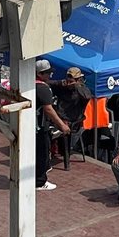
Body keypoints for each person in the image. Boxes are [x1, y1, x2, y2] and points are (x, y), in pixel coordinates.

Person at [32, 59, 58, 192]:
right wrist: (61, 125)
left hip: (29, 126)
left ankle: (32, 177)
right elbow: (48, 109)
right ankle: (40, 182)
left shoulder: (29, 84)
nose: (50, 75)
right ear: (40, 74)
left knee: (33, 154)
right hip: (40, 127)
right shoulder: (43, 89)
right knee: (42, 154)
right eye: (47, 73)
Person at [52, 66, 89, 159]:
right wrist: (60, 83)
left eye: (72, 79)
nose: (69, 82)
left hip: (73, 120)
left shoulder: (82, 89)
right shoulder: (63, 87)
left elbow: (87, 96)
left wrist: (76, 85)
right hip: (59, 117)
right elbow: (47, 84)